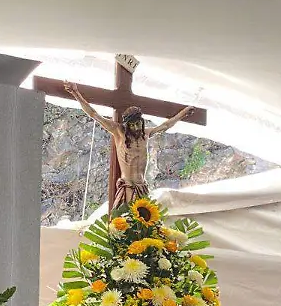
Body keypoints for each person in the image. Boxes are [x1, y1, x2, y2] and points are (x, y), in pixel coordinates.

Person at [62, 81, 194, 211]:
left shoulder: (146, 134)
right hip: (128, 187)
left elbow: (165, 125)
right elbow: (94, 114)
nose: (136, 127)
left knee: (146, 221)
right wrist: (76, 93)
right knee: (126, 221)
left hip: (142, 187)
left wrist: (182, 113)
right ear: (127, 125)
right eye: (132, 125)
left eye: (138, 124)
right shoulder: (119, 132)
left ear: (142, 122)